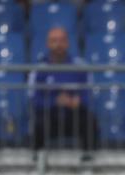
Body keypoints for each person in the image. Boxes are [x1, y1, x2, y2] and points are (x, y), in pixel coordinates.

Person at [29, 27, 97, 158]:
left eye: (61, 40)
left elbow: (90, 94)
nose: (58, 44)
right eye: (54, 41)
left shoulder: (81, 66)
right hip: (50, 115)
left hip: (74, 114)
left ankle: (88, 159)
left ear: (67, 43)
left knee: (90, 121)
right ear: (48, 44)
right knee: (38, 123)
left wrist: (78, 101)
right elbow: (34, 99)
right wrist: (55, 101)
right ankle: (38, 160)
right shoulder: (39, 69)